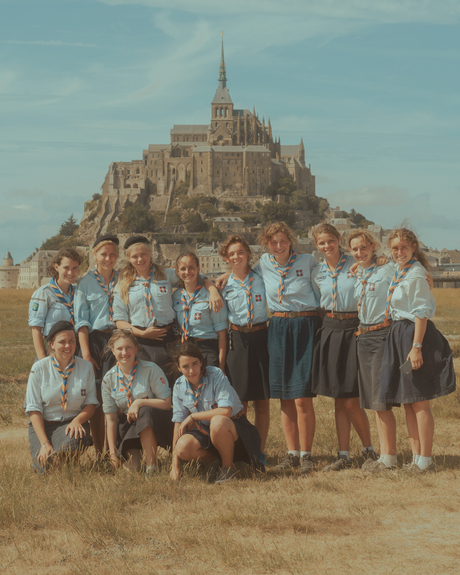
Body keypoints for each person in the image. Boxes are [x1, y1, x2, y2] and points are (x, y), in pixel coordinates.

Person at [379, 228, 456, 472]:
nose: (399, 252)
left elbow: (421, 313)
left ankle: (426, 460)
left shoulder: (416, 273)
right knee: (408, 401)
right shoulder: (399, 271)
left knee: (421, 401)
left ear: (413, 247)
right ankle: (415, 459)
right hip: (399, 334)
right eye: (394, 248)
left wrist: (416, 347)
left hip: (415, 335)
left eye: (403, 247)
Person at [255, 222, 320, 474]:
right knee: (284, 396)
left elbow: (331, 272)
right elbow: (243, 275)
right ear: (267, 244)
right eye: (273, 242)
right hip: (279, 326)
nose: (278, 246)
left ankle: (306, 454)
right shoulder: (264, 263)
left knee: (302, 396)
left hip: (305, 324)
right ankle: (291, 453)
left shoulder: (308, 261)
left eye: (283, 241)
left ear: (290, 241)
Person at [113, 235, 222, 382]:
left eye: (143, 254)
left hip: (168, 341)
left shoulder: (166, 275)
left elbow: (193, 276)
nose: (140, 259)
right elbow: (120, 321)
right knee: (147, 384)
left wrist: (213, 290)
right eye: (135, 256)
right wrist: (143, 334)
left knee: (172, 383)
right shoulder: (123, 284)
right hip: (141, 342)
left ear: (150, 252)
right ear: (129, 258)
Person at [311, 224, 375, 471]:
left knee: (351, 399)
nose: (327, 246)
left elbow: (381, 269)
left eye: (330, 241)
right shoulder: (316, 271)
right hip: (329, 328)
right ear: (317, 246)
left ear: (339, 240)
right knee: (338, 399)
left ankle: (369, 451)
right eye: (321, 243)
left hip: (354, 327)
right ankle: (344, 455)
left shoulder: (355, 263)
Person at [169, 342, 263, 484]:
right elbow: (178, 424)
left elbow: (226, 411)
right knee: (182, 447)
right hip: (207, 431)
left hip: (235, 429)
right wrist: (174, 465)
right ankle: (217, 462)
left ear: (201, 362)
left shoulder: (215, 374)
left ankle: (228, 469)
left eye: (195, 363)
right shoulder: (179, 385)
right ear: (178, 367)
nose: (191, 370)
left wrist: (193, 416)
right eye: (185, 366)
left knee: (217, 421)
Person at [347, 229, 398, 472]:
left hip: (381, 334)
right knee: (372, 400)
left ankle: (389, 458)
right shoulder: (359, 271)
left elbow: (409, 270)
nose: (359, 252)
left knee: (381, 401)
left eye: (363, 247)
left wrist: (426, 278)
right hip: (364, 335)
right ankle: (385, 454)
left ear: (373, 246)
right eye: (355, 249)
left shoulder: (386, 268)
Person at [218, 235, 270, 462]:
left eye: (240, 252)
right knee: (240, 401)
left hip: (262, 336)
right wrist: (213, 285)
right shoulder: (223, 285)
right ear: (226, 258)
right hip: (237, 340)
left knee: (263, 400)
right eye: (231, 254)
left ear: (248, 254)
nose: (236, 257)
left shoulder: (262, 277)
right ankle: (244, 449)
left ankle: (260, 450)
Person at [24, 321, 98, 473]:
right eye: (62, 342)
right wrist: (44, 443)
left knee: (79, 436)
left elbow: (90, 404)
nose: (68, 346)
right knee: (44, 470)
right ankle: (52, 461)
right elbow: (34, 410)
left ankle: (65, 462)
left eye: (71, 341)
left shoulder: (86, 367)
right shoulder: (39, 368)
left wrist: (77, 420)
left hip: (70, 424)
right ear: (51, 344)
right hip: (44, 425)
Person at [102, 330, 173, 475]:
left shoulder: (151, 369)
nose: (124, 352)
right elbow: (111, 419)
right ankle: (136, 458)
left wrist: (139, 402)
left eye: (128, 347)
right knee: (130, 472)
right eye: (119, 348)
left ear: (136, 348)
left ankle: (151, 467)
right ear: (113, 351)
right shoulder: (108, 379)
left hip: (155, 423)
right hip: (129, 426)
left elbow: (166, 404)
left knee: (145, 410)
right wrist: (112, 454)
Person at [75, 234, 120, 452]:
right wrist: (86, 355)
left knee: (118, 393)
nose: (108, 258)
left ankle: (117, 448)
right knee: (98, 398)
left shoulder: (124, 278)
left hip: (118, 340)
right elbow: (81, 322)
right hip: (95, 341)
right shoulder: (85, 283)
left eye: (112, 254)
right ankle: (101, 451)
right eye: (104, 254)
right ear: (95, 255)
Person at [172, 252, 228, 370]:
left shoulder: (212, 296)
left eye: (191, 267)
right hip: (186, 348)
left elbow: (222, 333)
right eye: (183, 269)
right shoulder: (176, 296)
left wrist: (221, 367)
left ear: (198, 268)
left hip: (208, 348)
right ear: (177, 272)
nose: (187, 272)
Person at [29, 248, 82, 360]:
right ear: (56, 267)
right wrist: (43, 360)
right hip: (52, 351)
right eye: (66, 268)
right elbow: (36, 328)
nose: (70, 273)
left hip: (75, 349)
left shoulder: (79, 292)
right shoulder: (44, 293)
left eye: (74, 268)